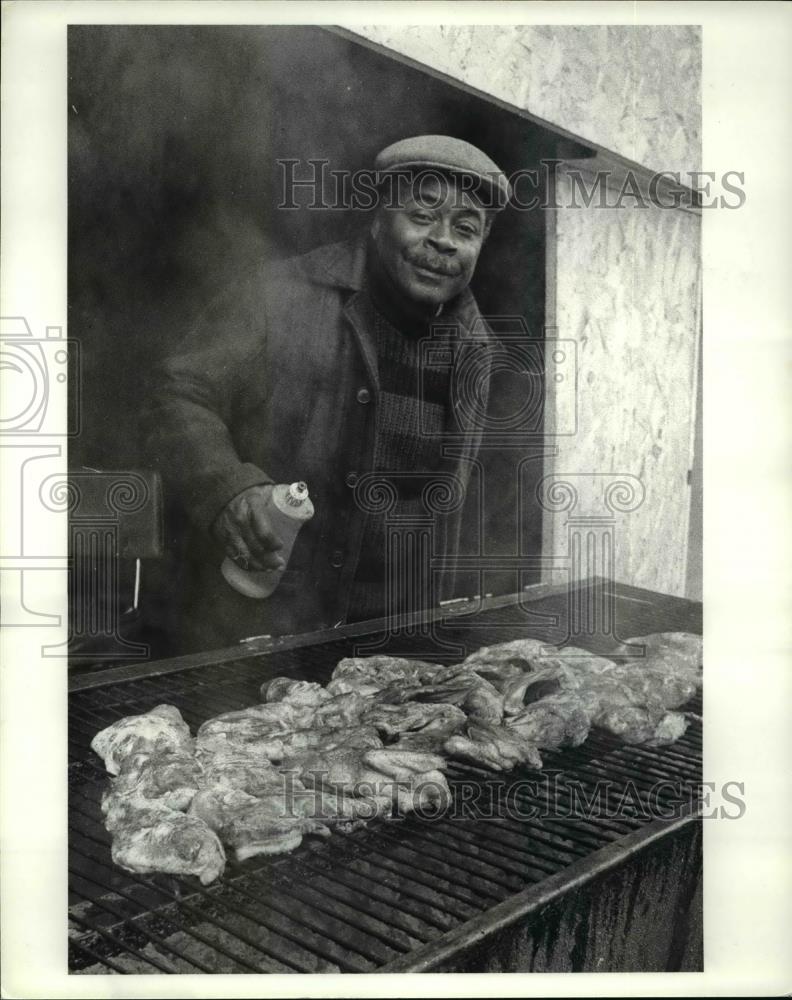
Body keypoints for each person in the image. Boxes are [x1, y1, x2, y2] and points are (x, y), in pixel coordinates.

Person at [143, 135, 512, 652]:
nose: (445, 241)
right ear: (378, 219)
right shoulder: (280, 296)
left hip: (397, 647)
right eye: (423, 216)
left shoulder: (480, 350)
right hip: (264, 636)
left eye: (466, 228)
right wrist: (226, 488)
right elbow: (176, 396)